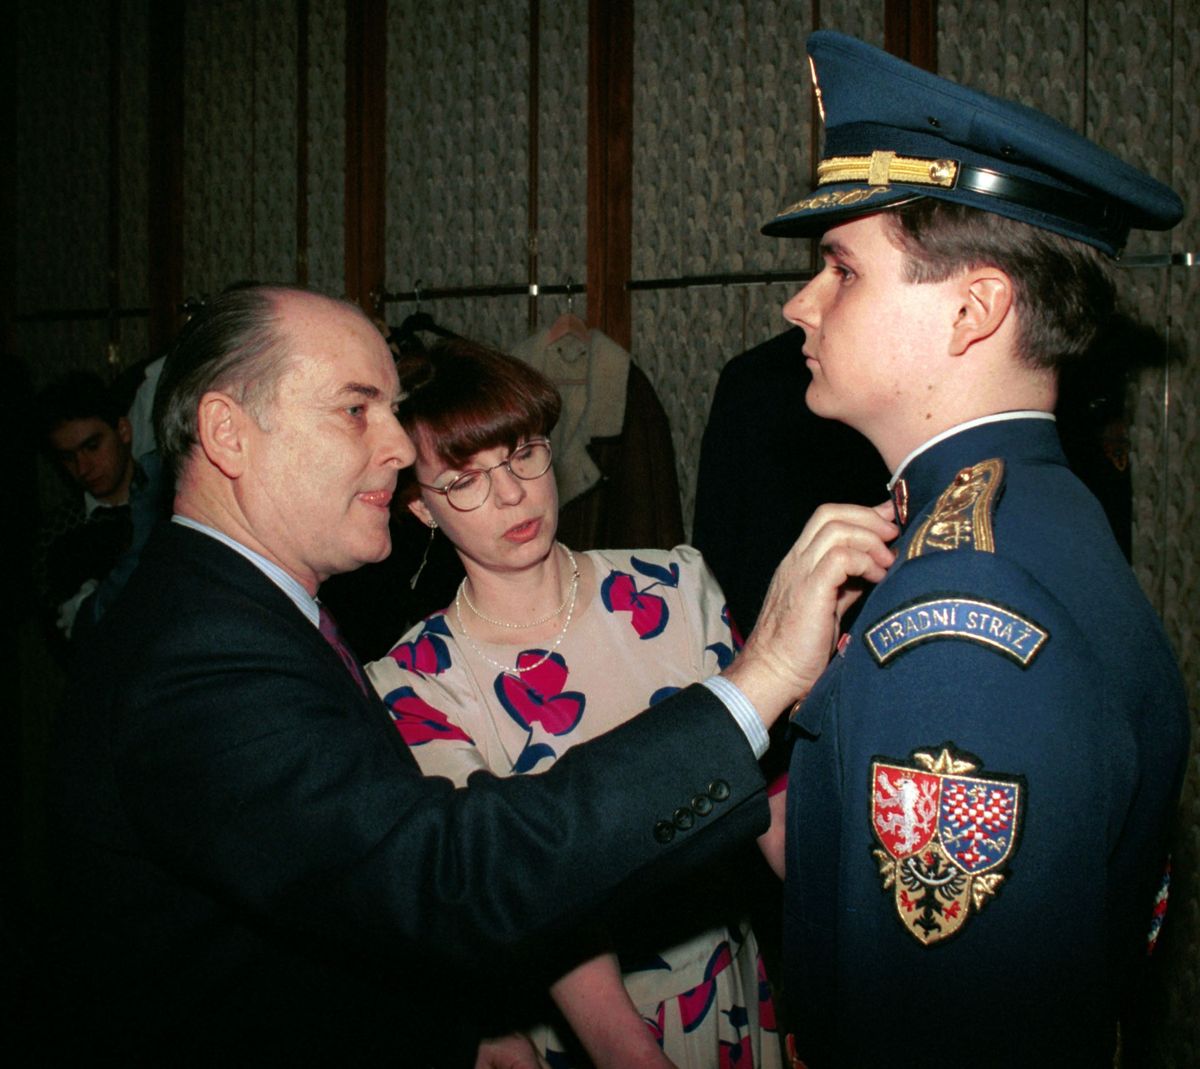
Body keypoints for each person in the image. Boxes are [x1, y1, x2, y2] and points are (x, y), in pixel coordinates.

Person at [48, 283, 897, 1067]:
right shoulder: (200, 651)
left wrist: (463, 1030)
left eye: (523, 454)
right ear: (230, 433)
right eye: (357, 409)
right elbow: (451, 874)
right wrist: (761, 677)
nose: (395, 445)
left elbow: (341, 888)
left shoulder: (244, 614)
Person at [758, 32, 1190, 1067]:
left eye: (841, 269)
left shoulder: (961, 613)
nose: (799, 302)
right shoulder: (1039, 509)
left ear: (973, 308)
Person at [367, 339, 783, 1068]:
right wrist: (627, 1053)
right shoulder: (415, 682)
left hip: (728, 985)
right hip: (581, 1030)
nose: (512, 494)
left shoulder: (673, 587)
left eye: (523, 454)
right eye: (464, 481)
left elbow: (770, 792)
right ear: (420, 507)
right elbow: (520, 888)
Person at [34, 370, 166, 641]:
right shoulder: (57, 534)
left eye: (93, 446)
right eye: (68, 457)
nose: (83, 467)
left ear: (123, 431)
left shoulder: (167, 503)